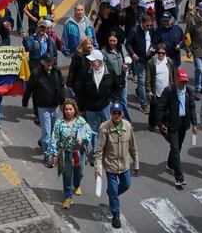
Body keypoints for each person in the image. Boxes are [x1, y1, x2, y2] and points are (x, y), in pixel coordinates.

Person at [93, 101, 139, 230]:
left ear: (122, 114)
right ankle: (115, 214)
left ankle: (112, 194)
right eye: (114, 113)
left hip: (124, 165)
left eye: (119, 113)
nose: (117, 115)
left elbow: (132, 146)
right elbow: (99, 151)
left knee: (126, 185)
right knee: (113, 192)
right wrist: (98, 169)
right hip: (111, 166)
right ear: (111, 114)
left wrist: (136, 163)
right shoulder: (104, 128)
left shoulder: (128, 126)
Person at [47, 98, 93, 208]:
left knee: (80, 172)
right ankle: (68, 196)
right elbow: (54, 138)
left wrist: (83, 139)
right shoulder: (59, 123)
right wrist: (53, 154)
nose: (68, 111)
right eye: (66, 109)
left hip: (79, 152)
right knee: (67, 175)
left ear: (75, 110)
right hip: (66, 153)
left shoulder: (81, 121)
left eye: (70, 109)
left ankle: (76, 185)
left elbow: (89, 133)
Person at [156, 68, 197, 189]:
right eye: (181, 81)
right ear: (176, 79)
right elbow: (160, 107)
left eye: (185, 81)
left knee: (178, 147)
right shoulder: (169, 91)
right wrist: (160, 123)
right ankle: (179, 178)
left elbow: (192, 107)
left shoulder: (189, 91)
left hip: (183, 124)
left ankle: (170, 164)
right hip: (172, 124)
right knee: (175, 149)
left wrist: (194, 124)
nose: (183, 83)